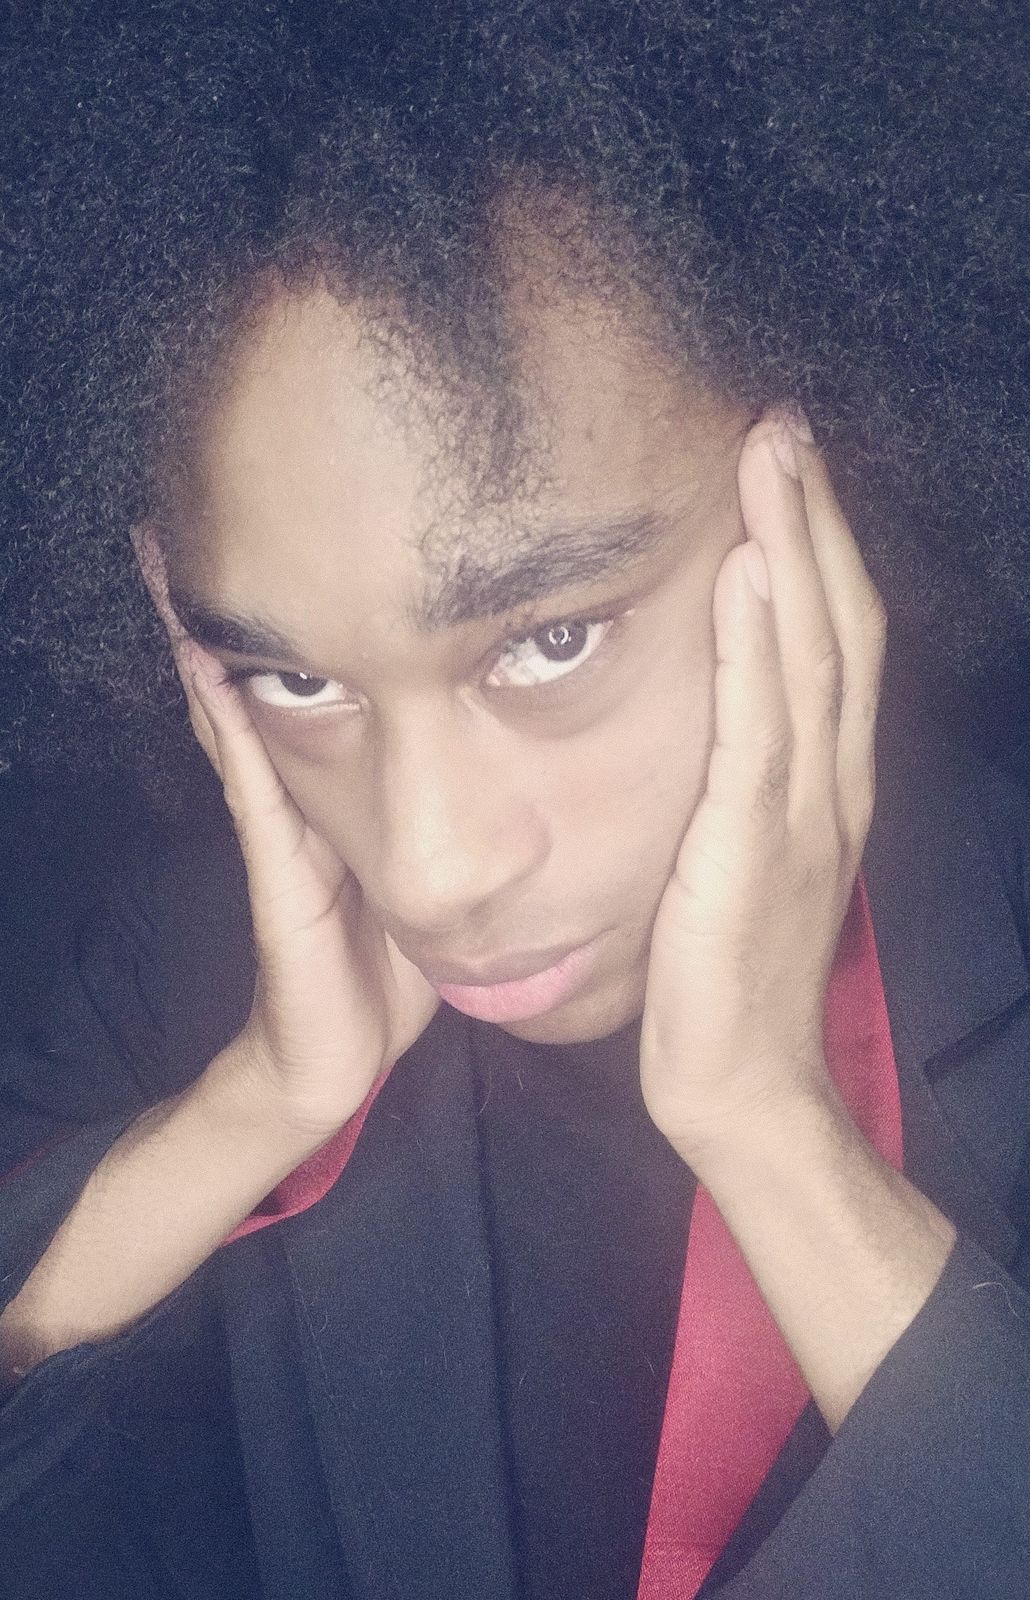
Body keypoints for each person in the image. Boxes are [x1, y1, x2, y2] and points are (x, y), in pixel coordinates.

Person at [2, 4, 1029, 1596]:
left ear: (812, 488)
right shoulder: (176, 979)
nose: (428, 869)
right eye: (295, 678)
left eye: (549, 640)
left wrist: (774, 1136)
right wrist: (251, 1107)